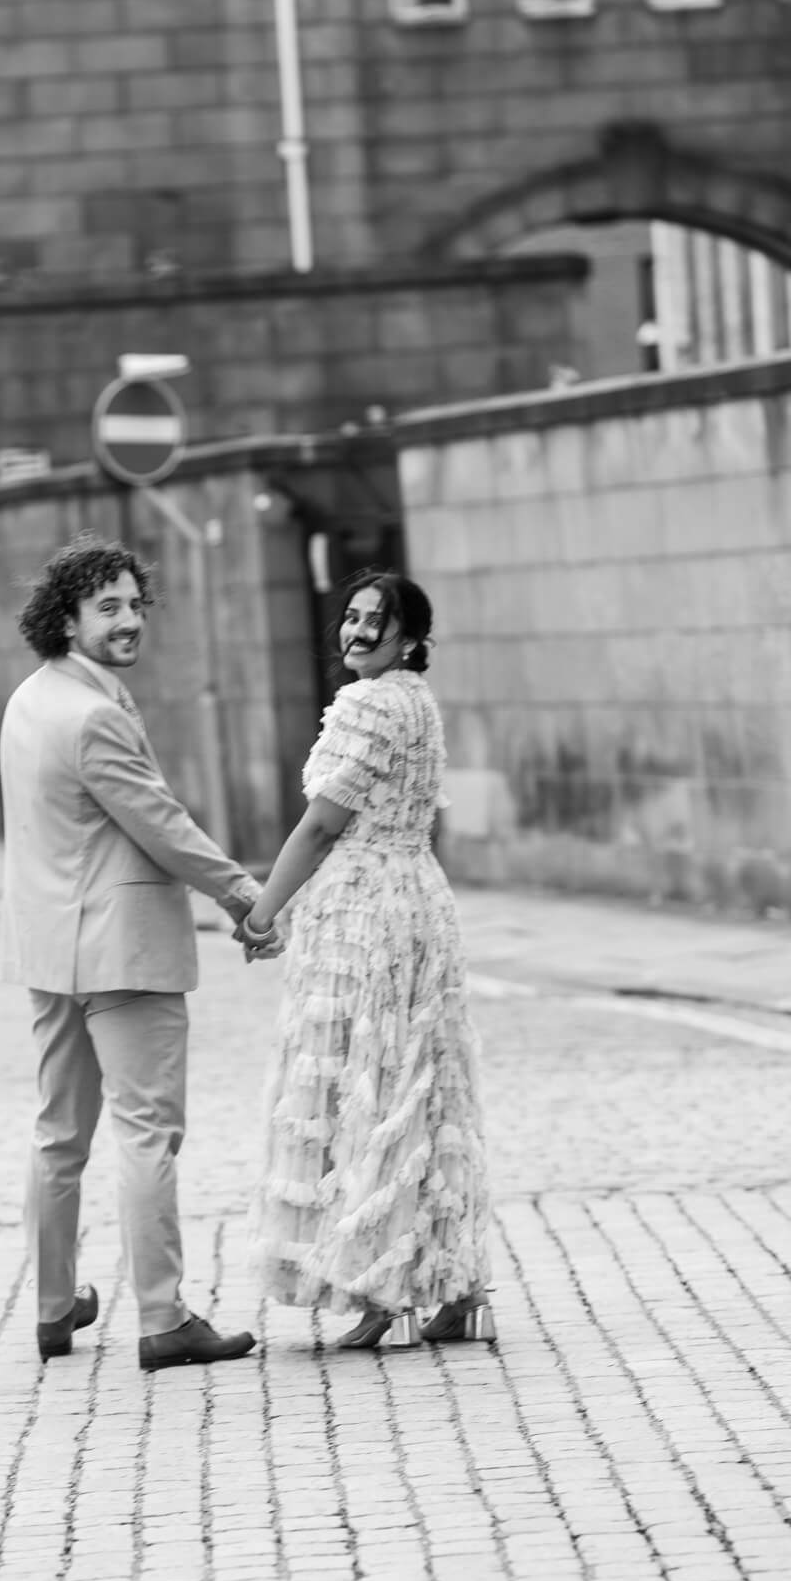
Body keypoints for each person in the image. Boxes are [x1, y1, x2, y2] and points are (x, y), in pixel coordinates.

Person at [0, 533, 278, 1374]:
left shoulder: (29, 700)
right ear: (68, 619)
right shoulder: (92, 717)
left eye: (134, 605)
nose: (128, 621)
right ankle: (163, 1318)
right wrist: (244, 896)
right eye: (108, 608)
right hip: (119, 951)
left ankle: (55, 1310)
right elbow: (159, 824)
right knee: (148, 1134)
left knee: (59, 1137)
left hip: (50, 947)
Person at [238, 568, 494, 1348]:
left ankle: (379, 1289)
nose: (354, 632)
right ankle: (450, 1288)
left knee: (367, 1090)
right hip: (417, 899)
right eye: (348, 617)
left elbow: (320, 826)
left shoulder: (369, 703)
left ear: (410, 639)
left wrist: (261, 908)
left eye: (373, 622)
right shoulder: (416, 702)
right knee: (422, 1094)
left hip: (363, 918)